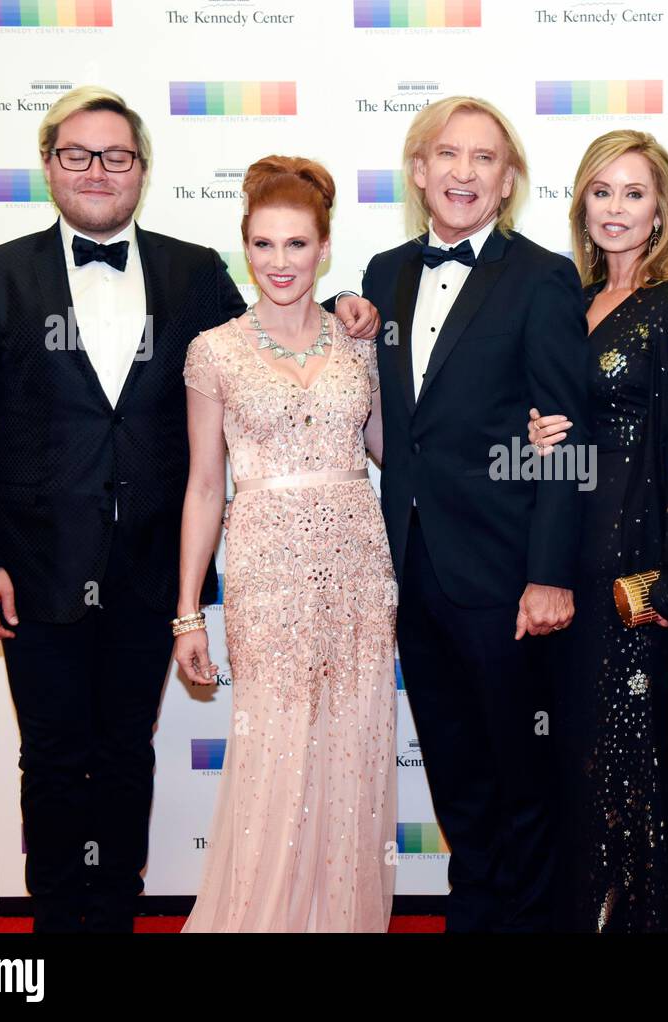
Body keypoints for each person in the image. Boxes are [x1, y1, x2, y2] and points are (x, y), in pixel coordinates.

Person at [0, 86, 248, 933]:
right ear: (50, 166)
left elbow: (266, 353)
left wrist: (346, 317)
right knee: (52, 756)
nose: (97, 170)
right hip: (34, 565)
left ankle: (113, 908)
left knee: (124, 751)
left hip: (149, 567)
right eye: (78, 153)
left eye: (117, 155)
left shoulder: (194, 270)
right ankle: (57, 919)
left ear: (142, 170)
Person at [344, 96, 591, 932]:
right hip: (413, 567)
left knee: (522, 772)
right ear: (418, 172)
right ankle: (476, 912)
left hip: (505, 569)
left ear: (508, 180)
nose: (462, 172)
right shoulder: (381, 276)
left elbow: (565, 435)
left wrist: (549, 574)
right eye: (446, 155)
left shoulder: (543, 277)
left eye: (484, 159)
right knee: (454, 766)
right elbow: (390, 425)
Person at [174, 156, 395, 933]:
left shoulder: (358, 341)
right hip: (265, 569)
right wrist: (187, 613)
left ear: (325, 247)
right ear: (244, 247)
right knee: (273, 749)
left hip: (361, 569)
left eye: (297, 245)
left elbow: (392, 452)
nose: (280, 263)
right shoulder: (214, 351)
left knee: (352, 745)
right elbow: (205, 486)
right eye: (263, 245)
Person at [525, 130, 668, 931]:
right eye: (602, 191)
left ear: (660, 212)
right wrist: (535, 431)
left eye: (634, 193)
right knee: (570, 754)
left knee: (626, 755)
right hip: (553, 547)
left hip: (627, 562)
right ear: (582, 203)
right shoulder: (566, 299)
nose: (616, 208)